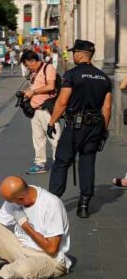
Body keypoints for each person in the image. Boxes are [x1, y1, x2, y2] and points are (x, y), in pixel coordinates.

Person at [46, 39, 112, 218]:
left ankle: (53, 201)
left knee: (61, 162)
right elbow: (106, 108)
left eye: (74, 52)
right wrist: (103, 131)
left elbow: (62, 102)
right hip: (95, 126)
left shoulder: (72, 75)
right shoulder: (104, 78)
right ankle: (84, 204)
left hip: (75, 126)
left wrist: (52, 122)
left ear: (81, 54)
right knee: (87, 162)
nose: (73, 55)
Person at [0, 176, 70, 278]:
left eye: (10, 201)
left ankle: (0, 267)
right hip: (20, 249)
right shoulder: (16, 196)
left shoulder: (51, 204)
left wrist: (25, 225)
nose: (9, 203)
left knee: (23, 269)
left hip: (49, 258)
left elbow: (51, 249)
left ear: (21, 198)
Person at [19, 50, 60, 175]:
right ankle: (39, 163)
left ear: (32, 61)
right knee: (38, 139)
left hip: (46, 110)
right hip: (35, 110)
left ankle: (58, 162)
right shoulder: (34, 72)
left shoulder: (48, 68)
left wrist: (34, 92)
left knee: (54, 137)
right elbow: (33, 87)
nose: (26, 67)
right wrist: (25, 92)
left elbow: (50, 86)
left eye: (27, 65)